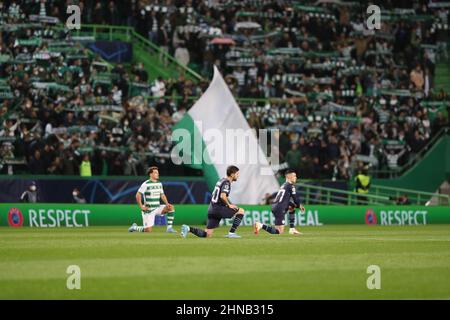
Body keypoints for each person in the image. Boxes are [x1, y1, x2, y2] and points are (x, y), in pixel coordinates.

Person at [180, 165, 245, 239]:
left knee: (207, 234)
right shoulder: (227, 183)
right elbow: (222, 196)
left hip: (212, 209)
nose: (238, 176)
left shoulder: (221, 180)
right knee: (241, 211)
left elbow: (220, 196)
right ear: (232, 174)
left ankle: (188, 228)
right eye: (237, 174)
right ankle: (231, 233)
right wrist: (229, 205)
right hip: (218, 209)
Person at [254, 169, 305, 235]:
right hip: (280, 208)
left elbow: (285, 200)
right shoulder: (291, 186)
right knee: (279, 231)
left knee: (292, 207)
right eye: (294, 176)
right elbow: (296, 199)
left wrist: (295, 205)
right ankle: (260, 225)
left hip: (276, 206)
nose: (296, 177)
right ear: (289, 177)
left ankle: (292, 229)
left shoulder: (283, 185)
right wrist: (299, 205)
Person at [128, 166, 177, 233]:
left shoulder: (159, 183)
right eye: (156, 173)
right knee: (147, 231)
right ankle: (134, 227)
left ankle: (169, 228)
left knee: (170, 207)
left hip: (157, 208)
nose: (158, 174)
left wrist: (167, 203)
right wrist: (141, 207)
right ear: (151, 174)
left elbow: (162, 195)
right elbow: (138, 195)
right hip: (149, 210)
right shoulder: (146, 184)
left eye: (158, 172)